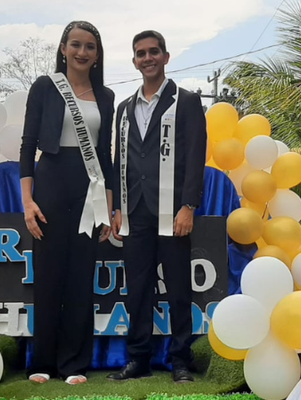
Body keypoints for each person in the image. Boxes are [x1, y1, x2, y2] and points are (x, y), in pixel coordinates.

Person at [19, 20, 115, 386]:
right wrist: (27, 201)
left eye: (90, 46)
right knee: (48, 278)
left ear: (97, 54)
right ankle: (41, 362)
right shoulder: (46, 87)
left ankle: (74, 364)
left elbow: (104, 154)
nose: (82, 52)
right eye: (75, 44)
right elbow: (28, 146)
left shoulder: (104, 96)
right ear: (63, 48)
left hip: (89, 187)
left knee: (80, 280)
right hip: (51, 182)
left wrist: (107, 206)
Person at [109, 30, 207, 383]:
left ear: (166, 57)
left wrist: (189, 205)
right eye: (140, 53)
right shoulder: (124, 108)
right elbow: (120, 161)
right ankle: (138, 359)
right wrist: (119, 206)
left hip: (173, 212)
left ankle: (180, 358)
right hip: (134, 212)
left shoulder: (187, 101)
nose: (147, 58)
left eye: (153, 52)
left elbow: (196, 157)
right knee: (136, 290)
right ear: (134, 61)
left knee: (179, 289)